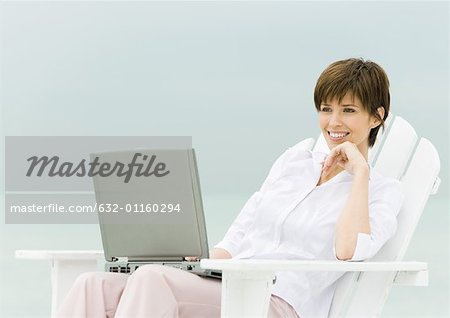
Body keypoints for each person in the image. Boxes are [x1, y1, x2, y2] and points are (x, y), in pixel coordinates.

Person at [56, 58, 404, 318]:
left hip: (278, 303)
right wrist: (193, 263)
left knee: (151, 281)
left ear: (376, 117)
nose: (334, 122)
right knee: (94, 284)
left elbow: (348, 250)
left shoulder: (381, 191)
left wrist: (360, 173)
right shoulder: (294, 163)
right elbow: (242, 232)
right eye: (326, 109)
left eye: (348, 110)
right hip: (229, 284)